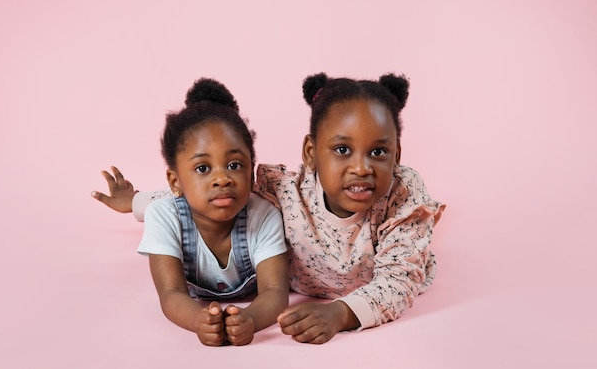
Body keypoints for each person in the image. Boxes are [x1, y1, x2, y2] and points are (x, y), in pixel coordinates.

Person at [92, 72, 445, 345]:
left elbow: (399, 280)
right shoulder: (286, 192)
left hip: (368, 288)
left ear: (397, 154)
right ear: (311, 152)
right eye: (342, 150)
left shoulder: (401, 198)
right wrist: (136, 201)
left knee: (413, 239)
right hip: (298, 282)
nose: (362, 168)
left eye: (379, 152)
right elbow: (196, 199)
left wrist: (340, 315)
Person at [93, 78, 290, 347]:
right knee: (154, 205)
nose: (222, 178)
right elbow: (171, 293)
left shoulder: (264, 214)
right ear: (175, 181)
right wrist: (198, 320)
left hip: (199, 200)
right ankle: (134, 201)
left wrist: (251, 318)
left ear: (251, 171)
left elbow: (275, 291)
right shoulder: (164, 216)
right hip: (172, 204)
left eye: (234, 165)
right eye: (202, 168)